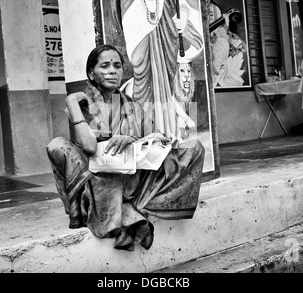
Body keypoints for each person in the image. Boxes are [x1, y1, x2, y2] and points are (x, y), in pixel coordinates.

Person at [46, 44, 205, 251]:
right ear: (91, 73)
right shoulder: (84, 103)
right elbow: (90, 147)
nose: (112, 70)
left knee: (194, 150)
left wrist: (131, 139)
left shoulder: (132, 105)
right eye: (104, 66)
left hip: (132, 173)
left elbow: (155, 139)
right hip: (97, 177)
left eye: (117, 66)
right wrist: (72, 103)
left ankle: (133, 204)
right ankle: (118, 209)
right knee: (57, 145)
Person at [112, 0, 203, 137]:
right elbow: (127, 12)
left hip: (165, 39)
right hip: (140, 40)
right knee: (142, 69)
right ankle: (145, 131)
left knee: (167, 78)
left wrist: (183, 16)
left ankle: (169, 131)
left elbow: (181, 1)